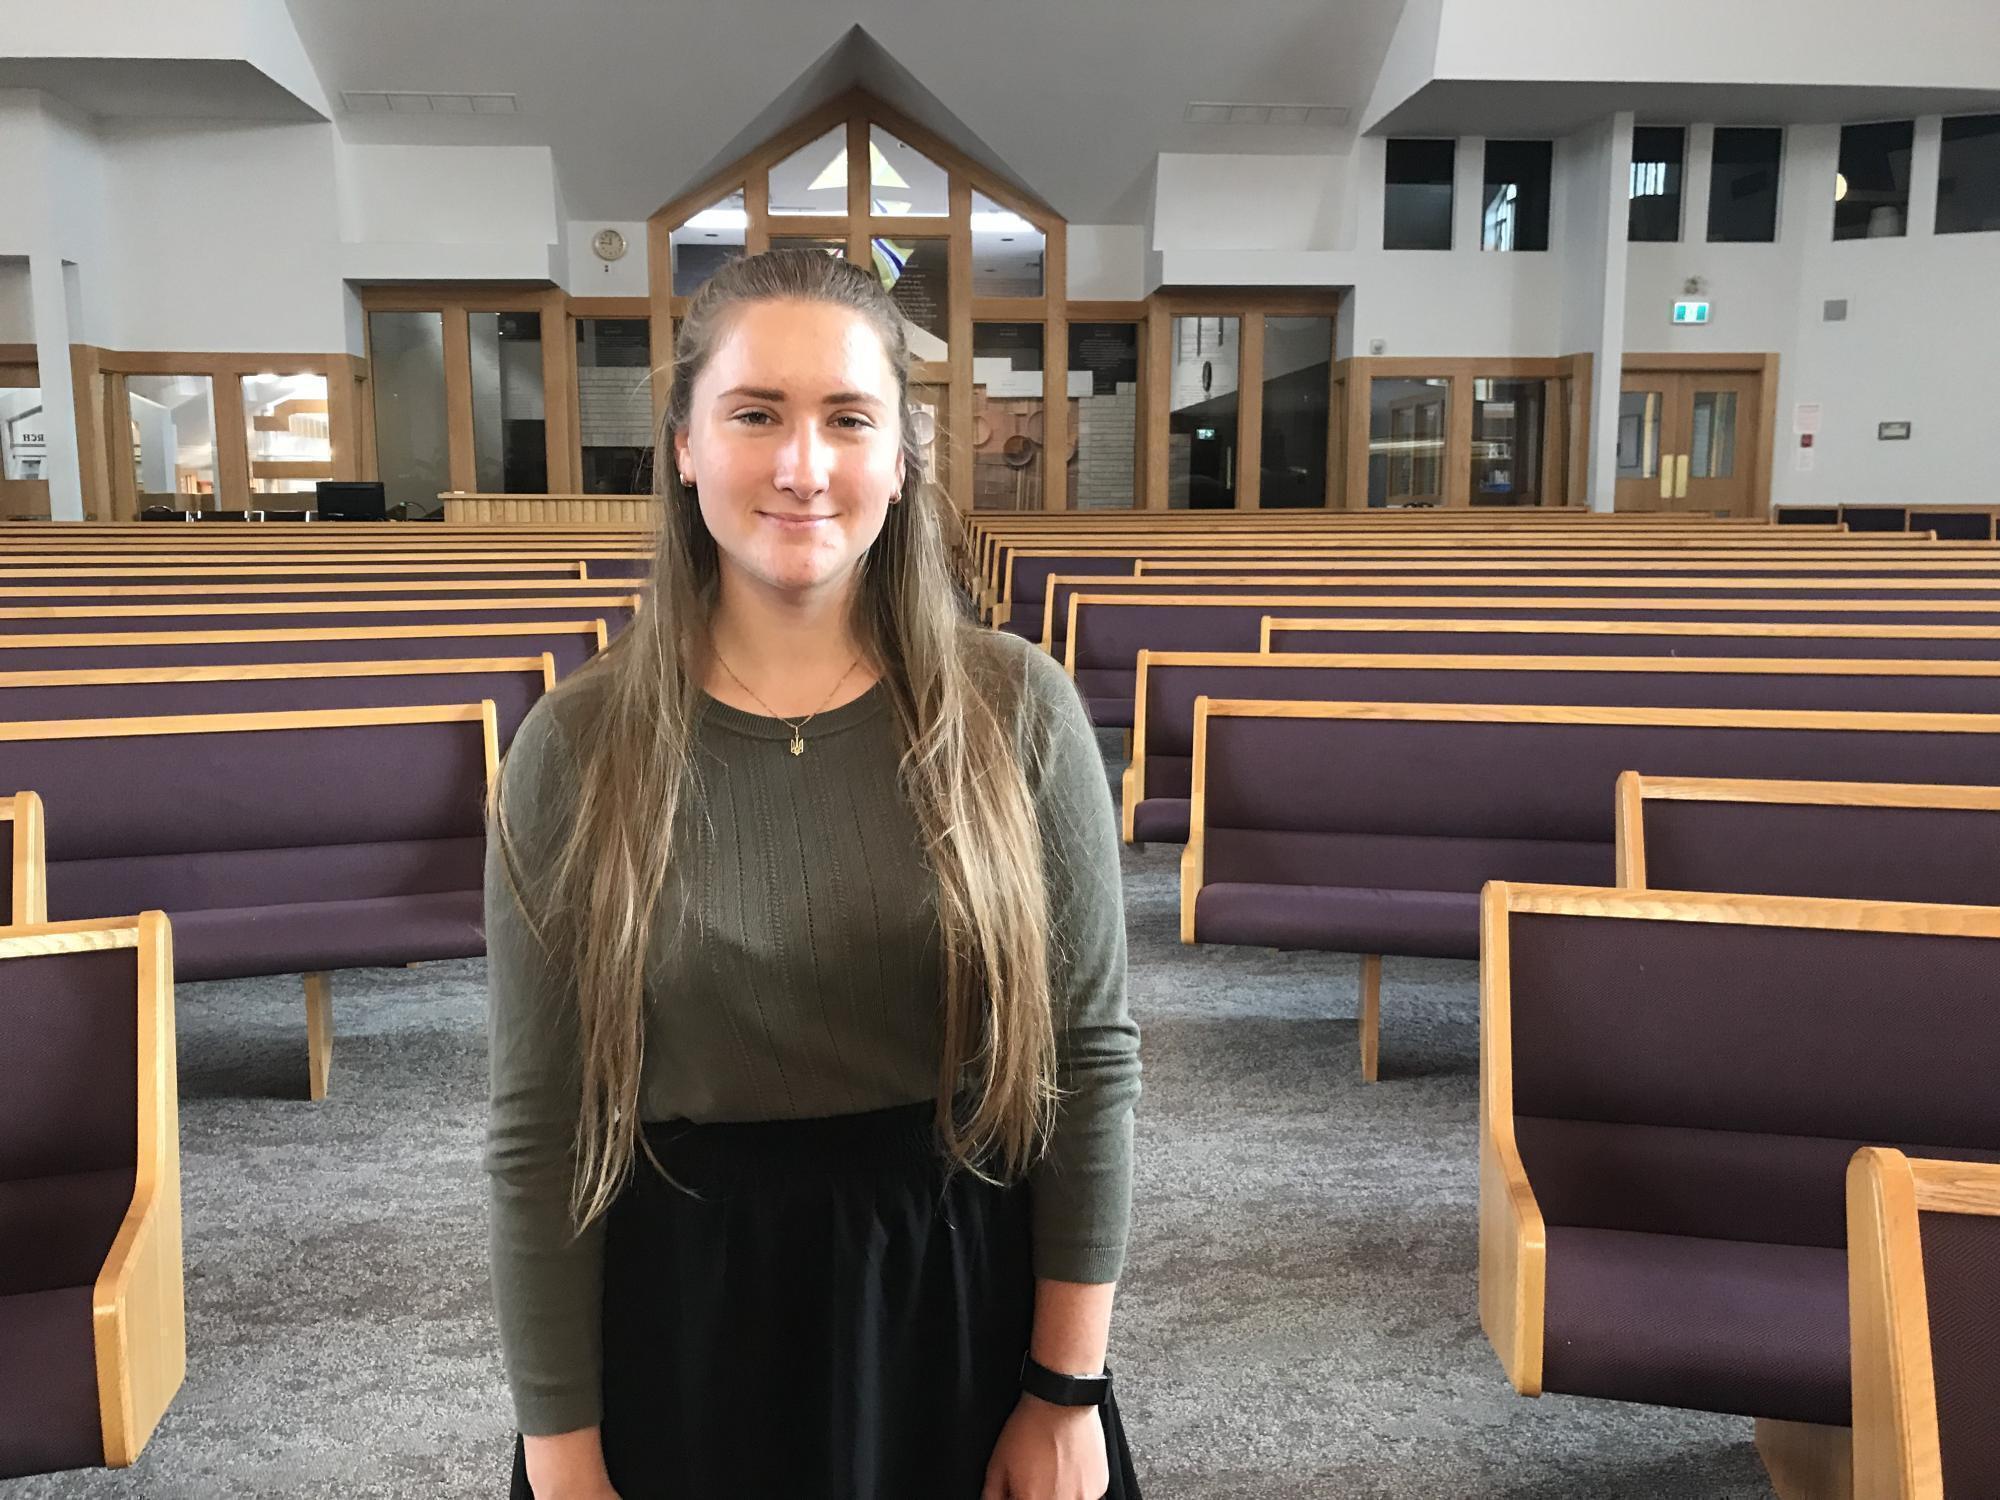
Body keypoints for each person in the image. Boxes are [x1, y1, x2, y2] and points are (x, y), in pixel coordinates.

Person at [485, 248, 1144, 1499]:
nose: (802, 466)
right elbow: (540, 1133)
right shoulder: (577, 747)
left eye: (848, 419)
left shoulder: (1017, 711)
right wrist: (561, 1450)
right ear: (683, 443)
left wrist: (1066, 1391)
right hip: (685, 1325)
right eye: (754, 415)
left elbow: (1089, 1068)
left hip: (955, 1310)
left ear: (900, 457)